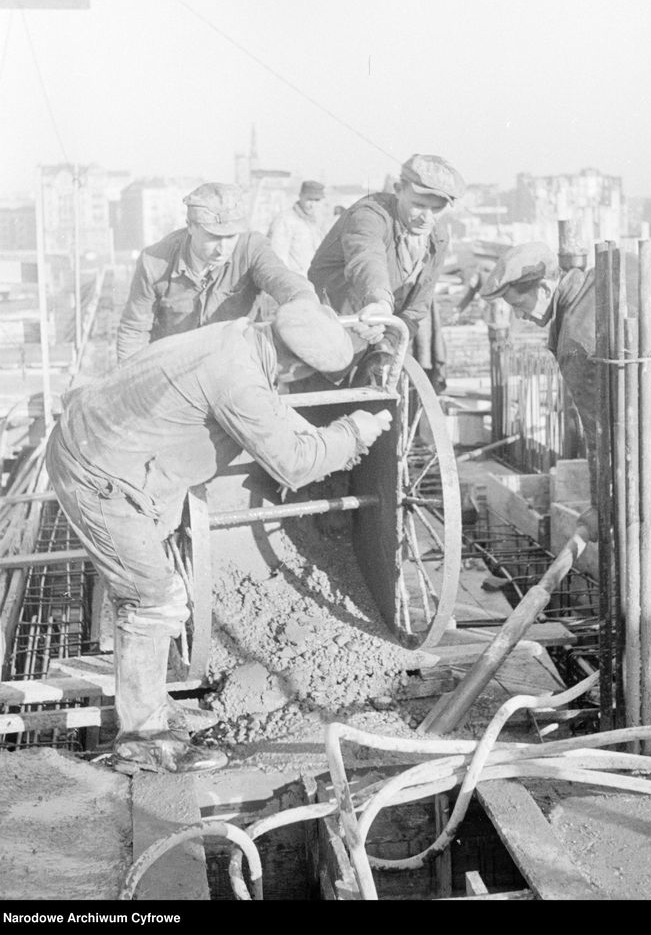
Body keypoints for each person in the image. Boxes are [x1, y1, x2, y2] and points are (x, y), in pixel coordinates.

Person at [46, 299, 392, 772]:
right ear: (292, 362)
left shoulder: (238, 337)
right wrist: (354, 432)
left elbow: (270, 410)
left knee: (152, 590)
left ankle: (151, 706)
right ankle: (144, 739)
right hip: (98, 473)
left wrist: (327, 434)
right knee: (152, 599)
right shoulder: (237, 378)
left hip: (114, 446)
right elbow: (292, 463)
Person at [481, 242, 651, 667]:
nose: (520, 316)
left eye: (520, 302)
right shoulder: (621, 265)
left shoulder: (577, 342)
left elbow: (606, 440)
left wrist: (604, 507)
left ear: (546, 286)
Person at [308, 154, 466, 386]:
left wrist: (387, 342)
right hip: (327, 337)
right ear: (398, 189)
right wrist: (379, 303)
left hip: (373, 343)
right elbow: (366, 256)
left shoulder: (438, 237)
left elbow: (416, 308)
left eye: (437, 209)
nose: (427, 218)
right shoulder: (369, 215)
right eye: (419, 205)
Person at [116, 183, 316, 362]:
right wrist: (128, 384)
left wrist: (304, 302)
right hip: (176, 371)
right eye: (213, 237)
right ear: (191, 227)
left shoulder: (251, 248)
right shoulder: (155, 262)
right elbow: (135, 330)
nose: (223, 248)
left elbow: (280, 279)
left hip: (238, 365)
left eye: (230, 237)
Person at [268, 180, 326, 278]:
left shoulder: (314, 222)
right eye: (309, 199)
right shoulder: (285, 220)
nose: (312, 205)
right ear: (300, 196)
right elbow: (277, 260)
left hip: (314, 282)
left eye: (317, 200)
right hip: (295, 284)